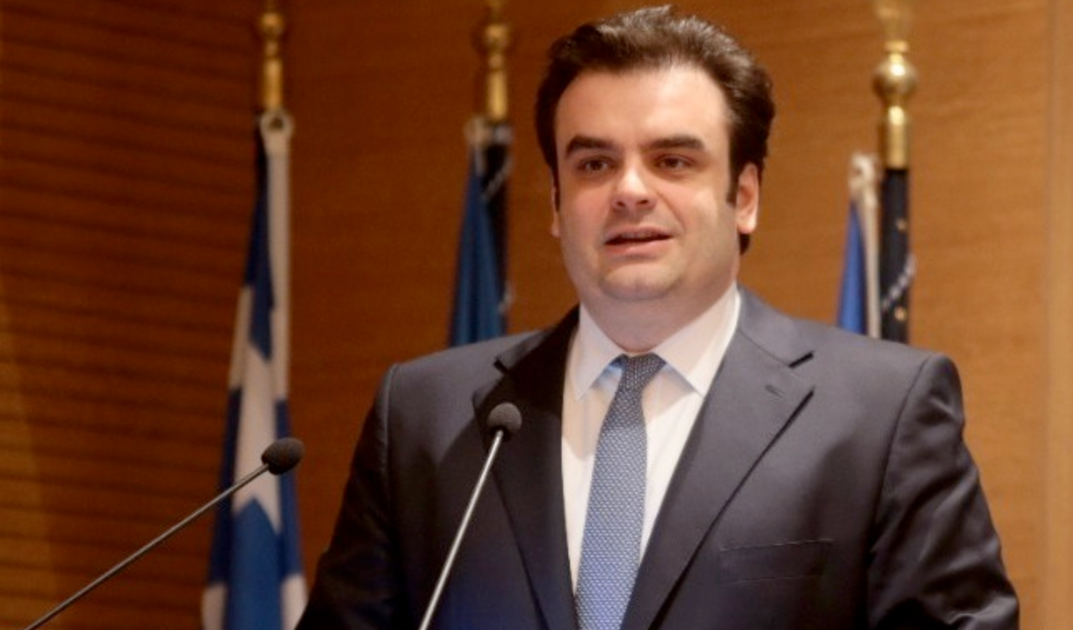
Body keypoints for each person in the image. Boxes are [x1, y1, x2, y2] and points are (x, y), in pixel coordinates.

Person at [297, 6, 1018, 629]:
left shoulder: (880, 417)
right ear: (556, 204)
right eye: (594, 164)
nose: (630, 191)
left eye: (672, 161)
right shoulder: (427, 419)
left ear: (744, 197)